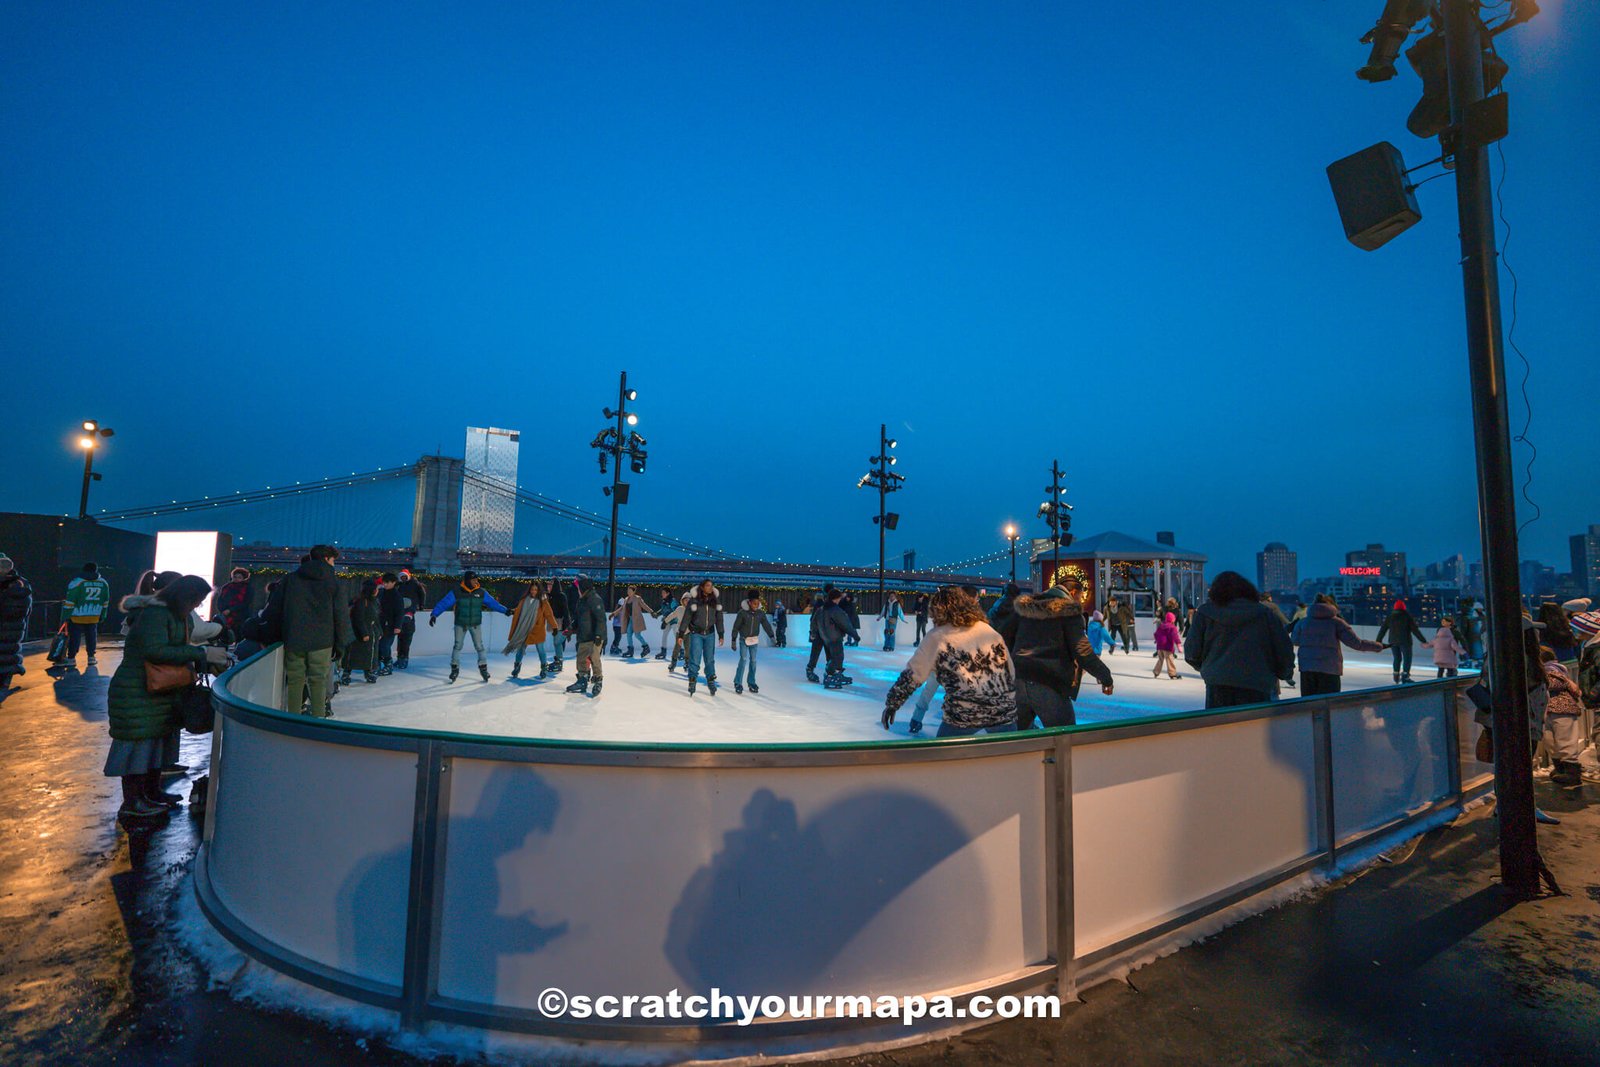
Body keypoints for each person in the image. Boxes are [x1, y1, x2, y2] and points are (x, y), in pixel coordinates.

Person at [105, 575, 228, 820]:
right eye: (197, 600)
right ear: (185, 596)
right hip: (138, 690)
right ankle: (133, 802)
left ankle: (151, 793)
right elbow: (154, 650)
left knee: (154, 744)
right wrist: (201, 653)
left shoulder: (175, 614)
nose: (198, 605)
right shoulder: (155, 614)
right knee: (138, 746)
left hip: (158, 690)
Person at [882, 587, 1017, 737]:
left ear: (938, 610)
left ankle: (920, 724)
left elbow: (913, 674)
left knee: (943, 750)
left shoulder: (937, 636)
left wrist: (892, 704)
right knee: (1007, 750)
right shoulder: (989, 631)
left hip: (964, 713)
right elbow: (1010, 671)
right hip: (1003, 711)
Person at [996, 581, 1114, 729]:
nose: (1080, 601)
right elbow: (1082, 652)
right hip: (1048, 682)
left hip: (1019, 680)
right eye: (1080, 596)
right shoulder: (1069, 613)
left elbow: (1004, 636)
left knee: (1020, 737)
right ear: (1073, 593)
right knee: (1064, 735)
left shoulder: (1026, 610)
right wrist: (1106, 677)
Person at [1183, 571, 1295, 709]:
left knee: (1221, 723)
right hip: (1258, 685)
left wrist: (1210, 667)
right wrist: (1283, 673)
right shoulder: (1265, 614)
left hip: (1218, 685)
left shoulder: (1204, 613)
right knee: (1255, 723)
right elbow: (1283, 650)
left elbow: (1192, 652)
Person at [263, 546, 351, 717]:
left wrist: (271, 637)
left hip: (294, 638)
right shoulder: (334, 582)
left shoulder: (290, 579)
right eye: (333, 560)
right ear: (327, 559)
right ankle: (318, 720)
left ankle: (294, 720)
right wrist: (341, 644)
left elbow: (274, 610)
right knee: (318, 681)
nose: (334, 564)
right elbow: (341, 615)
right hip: (322, 641)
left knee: (295, 681)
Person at [1291, 594, 1385, 696]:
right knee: (1330, 702)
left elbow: (1295, 641)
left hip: (1307, 669)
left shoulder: (1303, 622)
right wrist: (1379, 646)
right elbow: (1356, 643)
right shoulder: (1337, 623)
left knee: (1308, 702)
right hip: (1330, 669)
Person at [429, 570, 511, 683]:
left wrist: (505, 610)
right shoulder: (457, 592)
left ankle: (483, 668)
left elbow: (493, 604)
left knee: (479, 646)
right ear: (467, 580)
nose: (476, 581)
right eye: (473, 579)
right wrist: (434, 614)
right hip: (460, 624)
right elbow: (444, 603)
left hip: (475, 624)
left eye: (476, 579)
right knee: (457, 646)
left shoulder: (481, 592)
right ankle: (454, 669)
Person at [1542, 650, 1585, 787]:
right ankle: (1560, 769)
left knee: (1565, 741)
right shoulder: (1552, 671)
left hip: (1562, 709)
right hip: (1550, 711)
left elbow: (1553, 684)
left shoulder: (1553, 670)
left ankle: (1572, 773)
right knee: (1550, 741)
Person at [504, 579, 557, 679]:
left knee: (540, 649)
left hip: (537, 629)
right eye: (532, 589)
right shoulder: (524, 600)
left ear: (538, 590)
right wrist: (512, 611)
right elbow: (519, 611)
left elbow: (549, 614)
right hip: (525, 628)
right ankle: (517, 666)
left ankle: (544, 668)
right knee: (521, 649)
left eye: (535, 590)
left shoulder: (543, 601)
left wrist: (554, 627)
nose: (533, 592)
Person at [62, 561, 112, 668]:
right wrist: (103, 614)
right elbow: (105, 601)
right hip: (94, 616)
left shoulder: (77, 582)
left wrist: (65, 616)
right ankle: (91, 658)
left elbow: (70, 602)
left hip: (77, 616)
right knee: (91, 637)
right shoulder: (104, 583)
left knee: (74, 637)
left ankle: (71, 659)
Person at [564, 576, 607, 697]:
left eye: (578, 587)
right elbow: (577, 618)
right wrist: (570, 629)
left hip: (594, 636)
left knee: (594, 658)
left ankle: (598, 680)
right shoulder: (581, 600)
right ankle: (582, 680)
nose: (577, 590)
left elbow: (601, 619)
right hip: (583, 635)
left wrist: (599, 635)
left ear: (583, 587)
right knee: (581, 658)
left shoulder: (594, 599)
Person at [680, 579, 725, 696]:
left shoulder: (715, 601)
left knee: (709, 659)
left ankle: (710, 680)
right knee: (695, 658)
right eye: (708, 585)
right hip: (696, 634)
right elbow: (686, 617)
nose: (710, 587)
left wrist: (721, 634)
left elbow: (719, 618)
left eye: (711, 585)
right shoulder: (694, 601)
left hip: (710, 634)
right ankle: (692, 680)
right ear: (702, 587)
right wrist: (681, 633)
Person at [730, 590, 776, 694]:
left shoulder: (760, 613)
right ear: (749, 603)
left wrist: (771, 636)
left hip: (754, 640)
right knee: (743, 660)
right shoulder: (742, 613)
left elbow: (766, 625)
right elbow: (736, 627)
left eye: (758, 603)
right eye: (754, 603)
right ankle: (738, 682)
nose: (756, 605)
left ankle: (751, 682)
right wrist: (733, 640)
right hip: (744, 639)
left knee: (753, 661)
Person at [0, 554, 33, 692]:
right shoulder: (22, 584)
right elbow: (28, 609)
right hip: (16, 628)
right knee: (9, 652)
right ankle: (5, 680)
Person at [1376, 599, 1429, 684]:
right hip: (1405, 641)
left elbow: (1383, 629)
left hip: (1393, 641)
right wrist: (1423, 640)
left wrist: (1378, 640)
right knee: (1407, 658)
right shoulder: (1407, 616)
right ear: (1404, 607)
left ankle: (1396, 675)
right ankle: (1405, 676)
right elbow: (1415, 630)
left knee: (1397, 658)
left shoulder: (1390, 617)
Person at [340, 578, 381, 685]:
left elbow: (376, 618)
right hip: (359, 633)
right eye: (376, 589)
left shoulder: (374, 601)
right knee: (353, 654)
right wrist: (364, 633)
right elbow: (358, 618)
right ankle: (346, 673)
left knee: (369, 655)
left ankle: (368, 672)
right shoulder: (361, 601)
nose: (378, 590)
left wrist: (379, 632)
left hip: (371, 632)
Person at [816, 588, 859, 689]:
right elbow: (845, 624)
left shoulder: (821, 609)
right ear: (835, 598)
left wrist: (814, 633)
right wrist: (855, 636)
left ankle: (833, 674)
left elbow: (814, 622)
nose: (840, 600)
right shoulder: (835, 610)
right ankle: (832, 676)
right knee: (837, 657)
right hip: (835, 637)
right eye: (839, 598)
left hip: (825, 637)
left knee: (832, 657)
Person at [393, 569, 427, 670]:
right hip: (400, 611)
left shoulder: (415, 584)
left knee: (406, 638)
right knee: (400, 639)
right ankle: (400, 658)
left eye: (404, 576)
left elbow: (422, 594)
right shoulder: (399, 585)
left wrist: (421, 605)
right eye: (402, 577)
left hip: (410, 610)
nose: (403, 578)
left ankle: (404, 659)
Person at [211, 567, 253, 638]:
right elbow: (220, 600)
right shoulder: (226, 587)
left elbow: (246, 602)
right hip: (226, 615)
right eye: (235, 577)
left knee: (239, 634)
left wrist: (231, 610)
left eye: (239, 577)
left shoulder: (247, 588)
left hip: (241, 616)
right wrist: (222, 610)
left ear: (244, 578)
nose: (236, 579)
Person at [805, 584, 835, 683]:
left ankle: (829, 672)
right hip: (820, 633)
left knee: (828, 654)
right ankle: (811, 670)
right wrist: (813, 632)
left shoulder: (829, 603)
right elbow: (814, 619)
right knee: (817, 652)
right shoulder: (821, 603)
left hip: (826, 633)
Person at [375, 573, 402, 675]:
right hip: (380, 624)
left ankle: (388, 665)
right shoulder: (381, 593)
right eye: (384, 582)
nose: (385, 584)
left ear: (393, 582)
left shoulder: (396, 596)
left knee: (385, 646)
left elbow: (400, 612)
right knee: (378, 645)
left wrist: (398, 626)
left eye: (387, 582)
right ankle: (376, 665)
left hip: (390, 626)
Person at [615, 585, 655, 657]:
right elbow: (622, 607)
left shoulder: (637, 598)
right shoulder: (626, 599)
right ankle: (630, 650)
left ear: (634, 591)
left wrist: (651, 612)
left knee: (637, 635)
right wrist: (614, 613)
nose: (628, 592)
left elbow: (644, 606)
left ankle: (646, 647)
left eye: (630, 591)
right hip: (630, 619)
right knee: (629, 633)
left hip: (637, 619)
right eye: (628, 591)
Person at [546, 579, 569, 673]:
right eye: (548, 585)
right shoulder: (550, 596)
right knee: (556, 642)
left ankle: (559, 661)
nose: (548, 586)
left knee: (557, 642)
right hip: (555, 623)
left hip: (561, 623)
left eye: (550, 585)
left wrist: (567, 625)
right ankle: (558, 660)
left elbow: (565, 611)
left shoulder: (561, 596)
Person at [1153, 611, 1183, 680]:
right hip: (1167, 647)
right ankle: (1173, 674)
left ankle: (1156, 672)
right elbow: (1175, 636)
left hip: (1160, 647)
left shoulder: (1161, 626)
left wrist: (1157, 640)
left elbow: (1156, 634)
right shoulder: (1172, 627)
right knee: (1169, 660)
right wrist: (1178, 645)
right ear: (1172, 620)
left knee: (1160, 659)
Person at [656, 590, 680, 659]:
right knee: (664, 635)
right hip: (667, 621)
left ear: (668, 593)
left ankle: (682, 651)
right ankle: (663, 651)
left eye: (664, 593)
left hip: (674, 621)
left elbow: (675, 612)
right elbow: (663, 610)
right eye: (662, 593)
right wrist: (657, 613)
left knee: (677, 636)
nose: (662, 594)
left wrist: (666, 621)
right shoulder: (664, 601)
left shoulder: (673, 601)